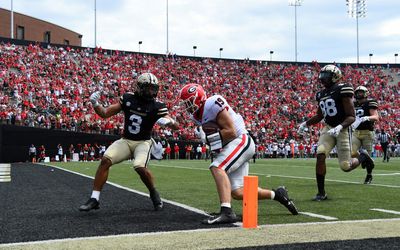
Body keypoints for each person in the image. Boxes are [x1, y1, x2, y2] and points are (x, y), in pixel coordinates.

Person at [179, 83, 298, 225]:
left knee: (217, 167)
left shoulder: (212, 103)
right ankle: (277, 194)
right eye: (184, 104)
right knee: (238, 192)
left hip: (240, 140)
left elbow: (231, 131)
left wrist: (210, 139)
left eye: (189, 102)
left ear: (199, 98)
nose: (187, 107)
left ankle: (227, 212)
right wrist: (210, 141)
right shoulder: (197, 116)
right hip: (231, 145)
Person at [79, 73, 179, 212]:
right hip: (126, 140)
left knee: (139, 166)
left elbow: (177, 126)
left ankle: (153, 192)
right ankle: (94, 198)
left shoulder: (157, 106)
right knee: (105, 161)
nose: (151, 91)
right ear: (139, 87)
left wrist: (170, 122)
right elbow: (105, 113)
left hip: (143, 142)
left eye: (153, 88)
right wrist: (95, 104)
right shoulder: (128, 98)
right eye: (148, 88)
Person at [298, 65, 374, 201]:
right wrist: (305, 123)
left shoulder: (343, 89)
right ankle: (321, 193)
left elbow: (351, 116)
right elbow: (320, 115)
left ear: (335, 76)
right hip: (328, 127)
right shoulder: (320, 94)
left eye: (326, 75)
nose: (322, 78)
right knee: (320, 153)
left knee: (346, 166)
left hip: (343, 129)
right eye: (322, 75)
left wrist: (339, 127)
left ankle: (363, 156)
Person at [350, 86, 379, 184]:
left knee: (368, 158)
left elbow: (376, 117)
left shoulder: (370, 103)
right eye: (357, 92)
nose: (359, 94)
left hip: (367, 132)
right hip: (356, 132)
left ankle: (369, 175)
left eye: (361, 92)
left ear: (366, 93)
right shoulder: (353, 104)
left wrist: (366, 118)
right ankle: (364, 158)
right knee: (352, 151)